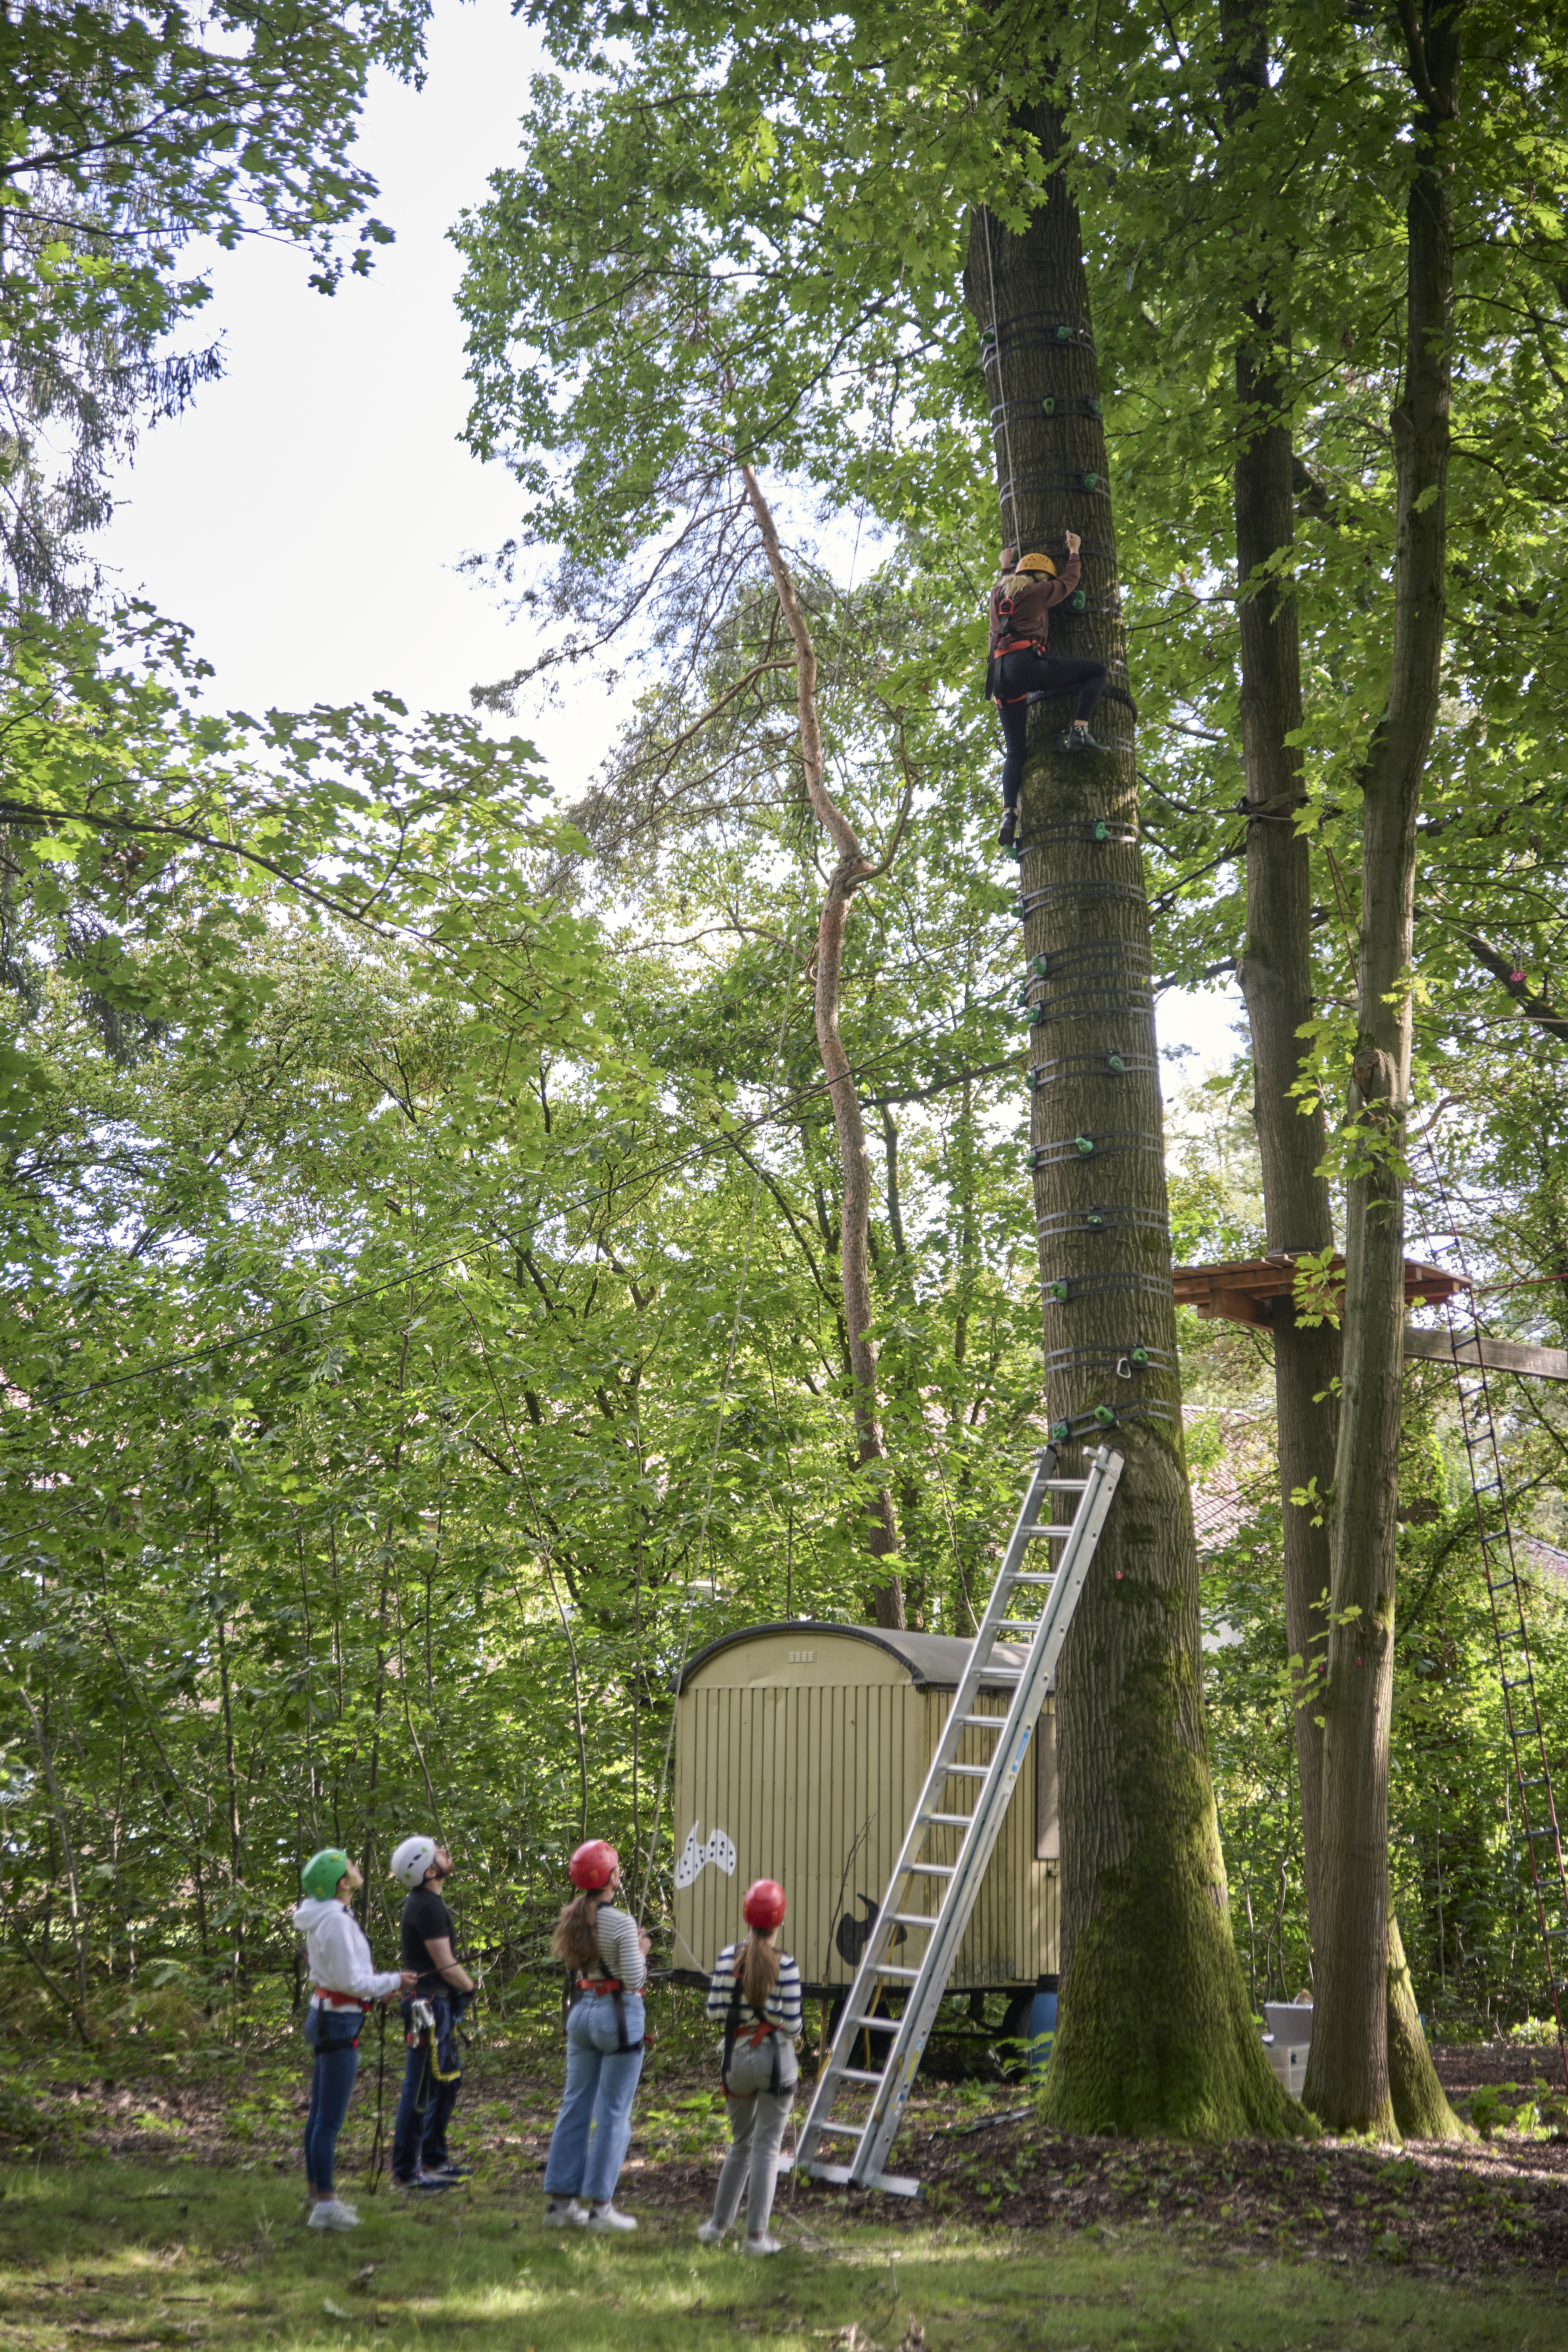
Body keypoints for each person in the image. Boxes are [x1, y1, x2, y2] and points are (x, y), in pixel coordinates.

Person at [293, 1848, 415, 2231]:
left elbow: (345, 1977)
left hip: (330, 2016)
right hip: (337, 2022)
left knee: (319, 2116)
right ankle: (325, 2206)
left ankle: (318, 2195)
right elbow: (350, 1981)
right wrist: (394, 1981)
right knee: (327, 2120)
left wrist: (378, 1990)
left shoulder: (329, 1916)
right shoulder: (336, 1922)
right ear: (341, 1883)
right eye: (349, 1867)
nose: (356, 1868)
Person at [541, 1839, 649, 2233]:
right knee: (614, 2113)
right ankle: (601, 2209)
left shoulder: (573, 1916)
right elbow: (635, 1978)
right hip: (618, 2016)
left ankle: (559, 2205)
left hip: (582, 2011)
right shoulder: (619, 1921)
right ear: (609, 1877)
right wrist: (641, 1948)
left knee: (575, 2106)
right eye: (616, 1869)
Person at [697, 1878, 803, 2256]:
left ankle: (716, 2227)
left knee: (740, 2144)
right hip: (775, 2061)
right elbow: (792, 2026)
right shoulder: (785, 1964)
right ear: (780, 1919)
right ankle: (756, 2238)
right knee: (767, 2148)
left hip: (736, 2060)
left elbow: (714, 2012)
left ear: (746, 1915)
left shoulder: (728, 1957)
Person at [987, 531, 1109, 845]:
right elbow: (1069, 582)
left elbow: (1007, 588)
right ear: (1041, 577)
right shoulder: (1039, 592)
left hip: (1000, 678)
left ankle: (1009, 812)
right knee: (1096, 671)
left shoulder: (996, 594)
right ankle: (1080, 728)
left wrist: (1006, 566)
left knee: (1016, 750)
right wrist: (1075, 552)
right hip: (1026, 667)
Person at [388, 1835, 476, 2193]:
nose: (446, 1852)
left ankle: (433, 2160)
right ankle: (407, 2173)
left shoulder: (429, 1902)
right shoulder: (426, 1906)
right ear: (428, 1871)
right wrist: (469, 1987)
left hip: (435, 2002)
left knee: (447, 2081)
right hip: (427, 2005)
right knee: (421, 2086)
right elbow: (446, 1965)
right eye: (437, 1851)